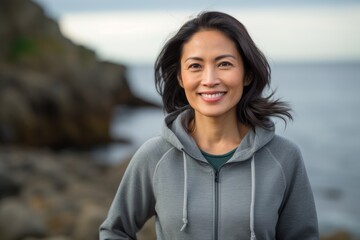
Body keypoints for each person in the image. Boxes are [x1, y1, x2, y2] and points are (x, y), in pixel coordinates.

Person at [99, 11, 319, 240]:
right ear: (181, 78)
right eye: (195, 66)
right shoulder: (154, 156)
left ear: (247, 74)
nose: (210, 79)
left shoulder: (284, 157)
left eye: (224, 64)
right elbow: (115, 230)